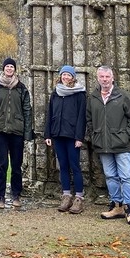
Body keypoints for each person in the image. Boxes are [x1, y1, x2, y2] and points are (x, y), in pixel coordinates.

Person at [87, 65, 130, 225]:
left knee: (126, 176)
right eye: (101, 77)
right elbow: (89, 119)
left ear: (112, 78)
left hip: (121, 144)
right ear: (97, 78)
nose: (104, 79)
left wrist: (125, 136)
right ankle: (116, 206)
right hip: (102, 144)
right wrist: (94, 135)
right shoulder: (93, 97)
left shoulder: (123, 96)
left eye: (107, 77)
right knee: (110, 176)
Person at [0, 57, 34, 209]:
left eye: (11, 67)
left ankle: (16, 195)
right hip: (0, 130)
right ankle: (0, 196)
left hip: (16, 131)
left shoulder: (21, 88)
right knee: (0, 164)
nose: (9, 69)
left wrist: (27, 132)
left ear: (15, 69)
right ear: (3, 69)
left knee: (16, 164)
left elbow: (27, 110)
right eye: (7, 66)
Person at [43, 65, 87, 214]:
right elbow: (50, 113)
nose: (66, 77)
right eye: (64, 75)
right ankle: (66, 196)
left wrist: (79, 137)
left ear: (73, 77)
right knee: (63, 166)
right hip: (58, 135)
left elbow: (82, 117)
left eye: (69, 75)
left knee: (74, 166)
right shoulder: (56, 92)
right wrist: (48, 134)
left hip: (72, 136)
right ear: (60, 76)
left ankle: (79, 198)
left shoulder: (79, 94)